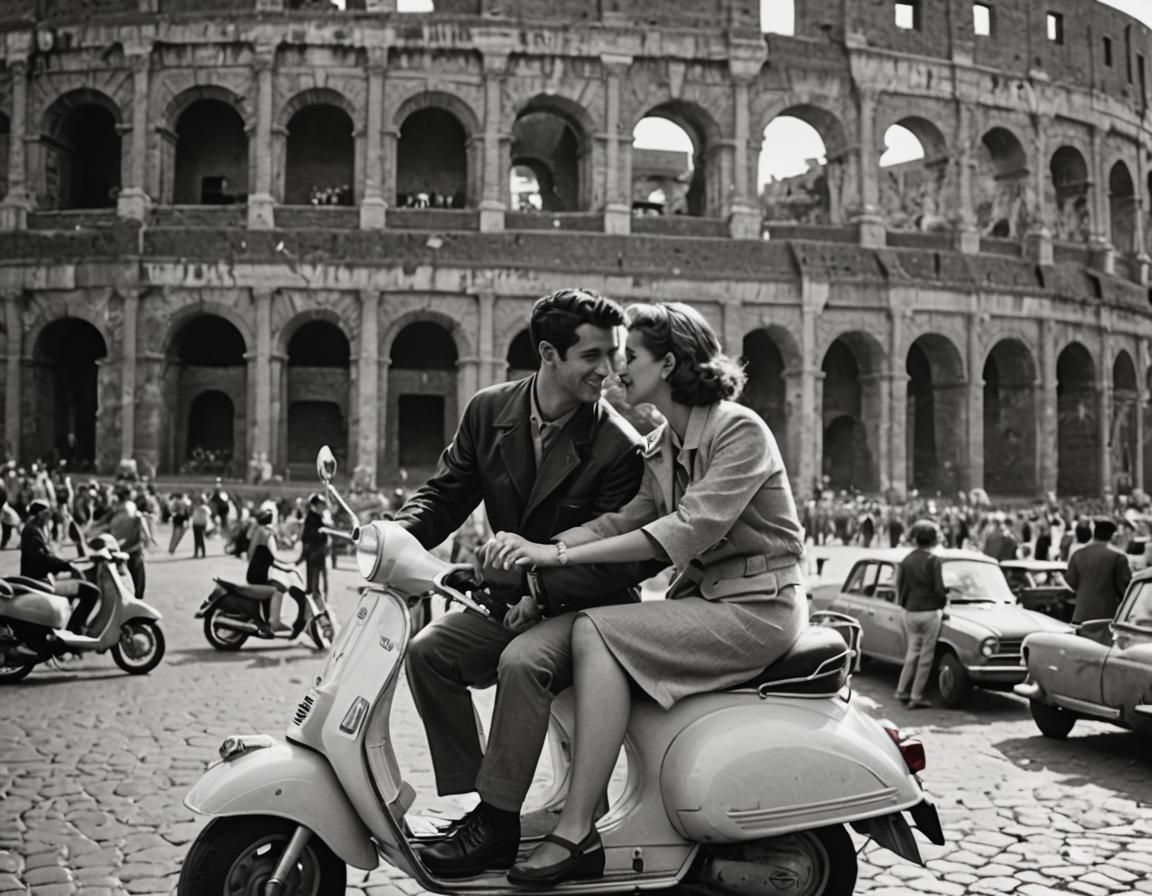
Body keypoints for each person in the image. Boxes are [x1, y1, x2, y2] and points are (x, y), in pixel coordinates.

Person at [487, 301, 807, 887]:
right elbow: (619, 523)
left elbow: (687, 530)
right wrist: (538, 555)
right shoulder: (661, 444)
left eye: (629, 356)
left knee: (596, 629)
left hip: (760, 608)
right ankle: (572, 807)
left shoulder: (739, 429)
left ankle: (579, 827)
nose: (616, 369)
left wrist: (555, 556)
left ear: (669, 362)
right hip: (709, 603)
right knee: (575, 636)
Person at [395, 288, 652, 879]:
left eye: (613, 354)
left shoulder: (619, 445)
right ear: (548, 353)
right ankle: (481, 806)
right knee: (429, 652)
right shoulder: (489, 410)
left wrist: (538, 589)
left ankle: (497, 823)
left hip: (590, 609)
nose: (608, 370)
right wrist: (395, 536)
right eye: (592, 356)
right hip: (513, 598)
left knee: (521, 663)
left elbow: (616, 566)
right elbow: (446, 493)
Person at [892, 519, 949, 710]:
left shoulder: (906, 560)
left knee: (911, 654)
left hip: (911, 610)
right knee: (926, 657)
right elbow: (939, 590)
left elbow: (899, 586)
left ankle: (901, 690)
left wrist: (904, 604)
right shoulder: (933, 560)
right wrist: (943, 605)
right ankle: (916, 695)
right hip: (930, 611)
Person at [19, 499, 98, 635]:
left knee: (79, 587)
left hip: (44, 579)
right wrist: (67, 566)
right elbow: (43, 560)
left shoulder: (36, 528)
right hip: (41, 582)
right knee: (91, 592)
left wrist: (69, 563)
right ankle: (74, 630)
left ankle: (70, 628)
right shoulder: (33, 531)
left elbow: (49, 557)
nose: (50, 516)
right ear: (40, 514)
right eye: (47, 513)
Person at [1065, 517, 1131, 624]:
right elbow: (1125, 587)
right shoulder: (1118, 556)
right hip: (1107, 617)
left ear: (1094, 534)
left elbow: (1071, 582)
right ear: (1112, 536)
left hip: (1081, 616)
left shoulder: (1078, 554)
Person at [92, 488, 150, 599]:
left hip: (119, 547)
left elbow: (105, 521)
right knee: (137, 574)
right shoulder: (130, 507)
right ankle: (137, 595)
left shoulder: (117, 509)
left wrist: (94, 528)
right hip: (133, 547)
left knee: (123, 575)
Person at [246, 508, 295, 635]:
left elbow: (251, 553)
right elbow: (274, 555)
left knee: (268, 594)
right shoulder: (266, 532)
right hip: (259, 574)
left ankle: (268, 623)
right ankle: (271, 623)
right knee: (273, 591)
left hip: (255, 573)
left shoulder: (259, 530)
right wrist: (286, 565)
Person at [297, 494, 330, 603]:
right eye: (321, 504)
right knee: (314, 573)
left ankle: (314, 591)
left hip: (318, 550)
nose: (323, 506)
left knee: (316, 573)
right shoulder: (312, 518)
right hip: (314, 550)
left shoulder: (317, 517)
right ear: (315, 505)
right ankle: (314, 592)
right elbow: (310, 535)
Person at [190, 494, 211, 558]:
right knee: (196, 540)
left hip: (201, 525)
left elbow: (209, 513)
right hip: (195, 524)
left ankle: (203, 553)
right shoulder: (195, 506)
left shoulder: (204, 507)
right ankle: (196, 553)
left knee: (201, 539)